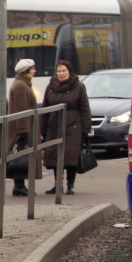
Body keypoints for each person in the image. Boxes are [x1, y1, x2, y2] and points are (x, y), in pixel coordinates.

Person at [40, 59, 91, 194]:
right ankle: (57, 185)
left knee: (70, 157)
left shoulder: (78, 86)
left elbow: (85, 109)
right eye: (59, 71)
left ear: (69, 72)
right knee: (55, 156)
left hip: (72, 126)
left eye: (64, 71)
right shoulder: (50, 87)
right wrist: (42, 129)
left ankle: (70, 184)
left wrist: (86, 130)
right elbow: (45, 108)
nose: (61, 73)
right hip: (54, 126)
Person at [8, 58, 42, 196]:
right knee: (21, 156)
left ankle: (20, 185)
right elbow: (21, 111)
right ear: (25, 71)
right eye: (32, 68)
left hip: (23, 126)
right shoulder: (21, 86)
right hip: (22, 128)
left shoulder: (22, 83)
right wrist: (23, 131)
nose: (34, 71)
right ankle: (19, 186)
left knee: (20, 155)